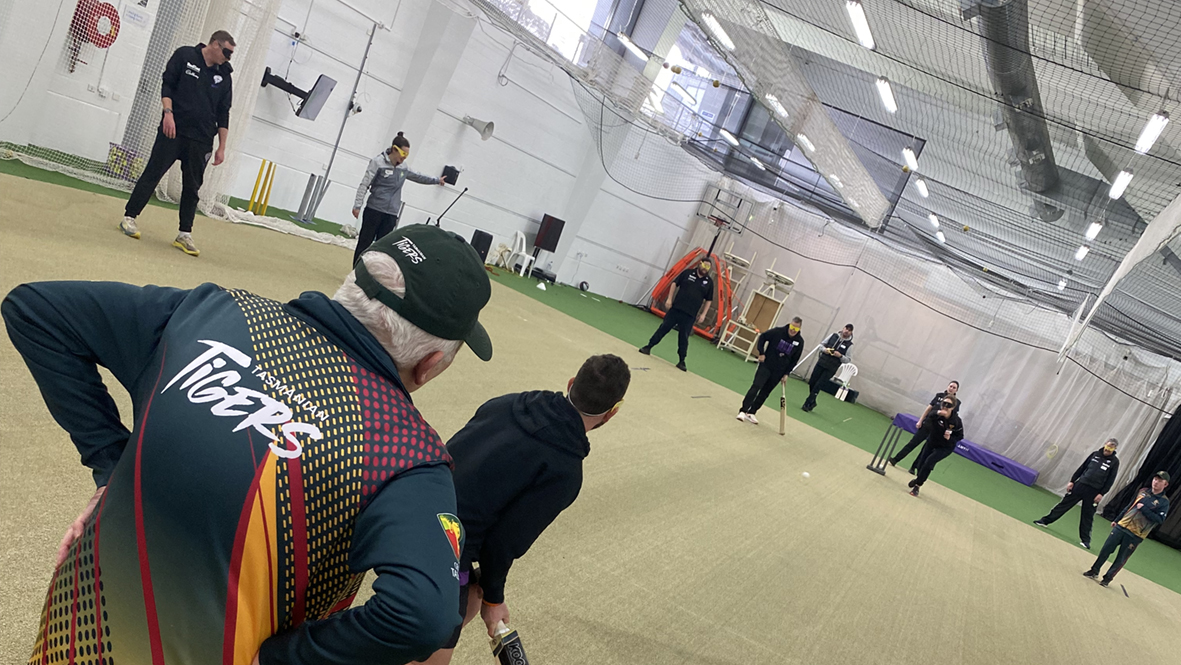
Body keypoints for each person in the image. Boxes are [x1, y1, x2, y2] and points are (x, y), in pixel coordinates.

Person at [3, 225, 494, 665]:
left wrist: (111, 465)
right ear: (431, 363)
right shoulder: (407, 455)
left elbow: (34, 310)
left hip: (78, 642)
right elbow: (424, 616)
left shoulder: (205, 312)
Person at [416, 355, 631, 665]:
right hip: (445, 544)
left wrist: (488, 594)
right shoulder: (565, 472)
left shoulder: (506, 403)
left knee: (475, 593)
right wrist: (496, 600)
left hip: (412, 502)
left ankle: (420, 636)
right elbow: (503, 544)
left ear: (571, 384)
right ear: (611, 414)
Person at [120, 31, 236, 257]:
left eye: (231, 55)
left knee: (192, 188)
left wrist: (222, 146)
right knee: (153, 173)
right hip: (173, 131)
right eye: (226, 52)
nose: (228, 58)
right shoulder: (185, 56)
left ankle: (184, 234)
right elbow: (167, 85)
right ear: (214, 44)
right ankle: (129, 217)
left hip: (202, 139)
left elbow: (224, 113)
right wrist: (168, 114)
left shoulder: (225, 75)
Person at [352, 132, 445, 266]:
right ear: (395, 150)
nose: (404, 158)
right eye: (402, 154)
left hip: (391, 214)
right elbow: (364, 184)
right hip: (374, 210)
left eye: (406, 155)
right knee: (365, 243)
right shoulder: (377, 162)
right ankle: (356, 271)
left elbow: (418, 176)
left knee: (383, 248)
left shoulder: (403, 167)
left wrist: (436, 180)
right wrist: (357, 205)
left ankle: (374, 275)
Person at [1083, 471, 1171, 587]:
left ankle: (1107, 578)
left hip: (1135, 534)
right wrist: (1117, 519)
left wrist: (1144, 509)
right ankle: (1094, 570)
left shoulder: (1164, 502)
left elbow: (1159, 520)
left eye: (1160, 481)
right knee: (1106, 549)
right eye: (1155, 479)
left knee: (1121, 558)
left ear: (1165, 485)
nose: (1156, 482)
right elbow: (1130, 506)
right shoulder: (1143, 491)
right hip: (1122, 526)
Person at [1034, 438, 1121, 549]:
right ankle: (1045, 521)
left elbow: (1110, 480)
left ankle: (1085, 540)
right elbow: (1082, 468)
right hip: (1081, 485)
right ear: (1105, 445)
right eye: (1108, 446)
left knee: (1087, 515)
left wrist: (1101, 493)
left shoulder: (1114, 462)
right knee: (1064, 504)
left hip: (1094, 492)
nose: (1108, 449)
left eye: (1111, 448)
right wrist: (1072, 481)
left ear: (1115, 449)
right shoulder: (1095, 454)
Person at [639, 259, 714, 371]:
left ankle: (682, 361)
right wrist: (669, 299)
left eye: (708, 267)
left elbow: (709, 300)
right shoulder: (687, 273)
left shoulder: (709, 282)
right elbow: (674, 283)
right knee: (663, 328)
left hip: (690, 315)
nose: (705, 268)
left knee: (684, 337)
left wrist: (703, 314)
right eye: (704, 265)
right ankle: (648, 347)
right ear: (700, 264)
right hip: (676, 309)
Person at [737, 317, 804, 424]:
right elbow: (762, 337)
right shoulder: (777, 332)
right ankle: (743, 410)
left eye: (795, 329)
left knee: (765, 392)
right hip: (766, 366)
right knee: (756, 386)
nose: (792, 330)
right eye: (791, 327)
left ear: (799, 329)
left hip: (779, 372)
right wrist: (761, 353)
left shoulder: (799, 342)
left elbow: (794, 359)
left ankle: (752, 412)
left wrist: (786, 373)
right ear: (789, 324)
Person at [889, 381, 962, 472]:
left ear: (957, 390)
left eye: (954, 387)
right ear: (947, 386)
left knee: (925, 450)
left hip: (938, 430)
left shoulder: (957, 403)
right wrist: (920, 421)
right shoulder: (939, 395)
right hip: (928, 425)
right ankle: (895, 459)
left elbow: (953, 417)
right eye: (950, 386)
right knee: (913, 443)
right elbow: (929, 408)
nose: (951, 388)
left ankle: (914, 467)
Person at [906, 396, 964, 497]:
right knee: (921, 464)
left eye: (948, 405)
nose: (945, 407)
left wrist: (949, 438)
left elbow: (960, 436)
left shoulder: (956, 421)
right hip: (932, 442)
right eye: (944, 404)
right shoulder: (937, 414)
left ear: (953, 407)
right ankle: (918, 479)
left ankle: (917, 486)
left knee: (929, 462)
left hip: (945, 447)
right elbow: (931, 415)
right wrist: (938, 413)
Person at [801, 324, 854, 412]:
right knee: (812, 382)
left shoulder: (849, 345)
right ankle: (813, 401)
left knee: (818, 385)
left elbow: (848, 359)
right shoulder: (833, 336)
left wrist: (840, 356)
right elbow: (821, 345)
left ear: (851, 333)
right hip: (821, 362)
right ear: (843, 328)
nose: (846, 331)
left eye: (849, 330)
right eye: (846, 328)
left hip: (831, 368)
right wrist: (825, 350)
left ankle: (807, 403)